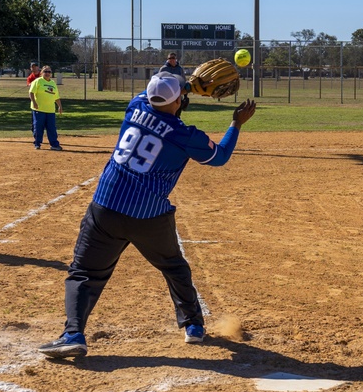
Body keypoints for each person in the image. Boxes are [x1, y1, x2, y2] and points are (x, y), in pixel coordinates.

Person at [38, 73, 257, 357]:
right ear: (178, 100)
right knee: (174, 268)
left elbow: (156, 94)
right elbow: (221, 155)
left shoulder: (135, 106)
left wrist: (183, 87)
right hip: (150, 215)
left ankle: (73, 334)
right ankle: (193, 327)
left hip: (107, 206)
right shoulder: (184, 135)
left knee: (85, 272)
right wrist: (236, 122)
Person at [29, 65, 63, 150]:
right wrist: (34, 102)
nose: (47, 73)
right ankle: (37, 143)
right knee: (38, 127)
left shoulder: (52, 83)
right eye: (45, 71)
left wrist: (60, 106)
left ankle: (54, 144)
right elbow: (31, 92)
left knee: (51, 128)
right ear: (41, 73)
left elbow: (56, 97)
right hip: (39, 109)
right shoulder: (38, 81)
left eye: (49, 72)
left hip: (50, 110)